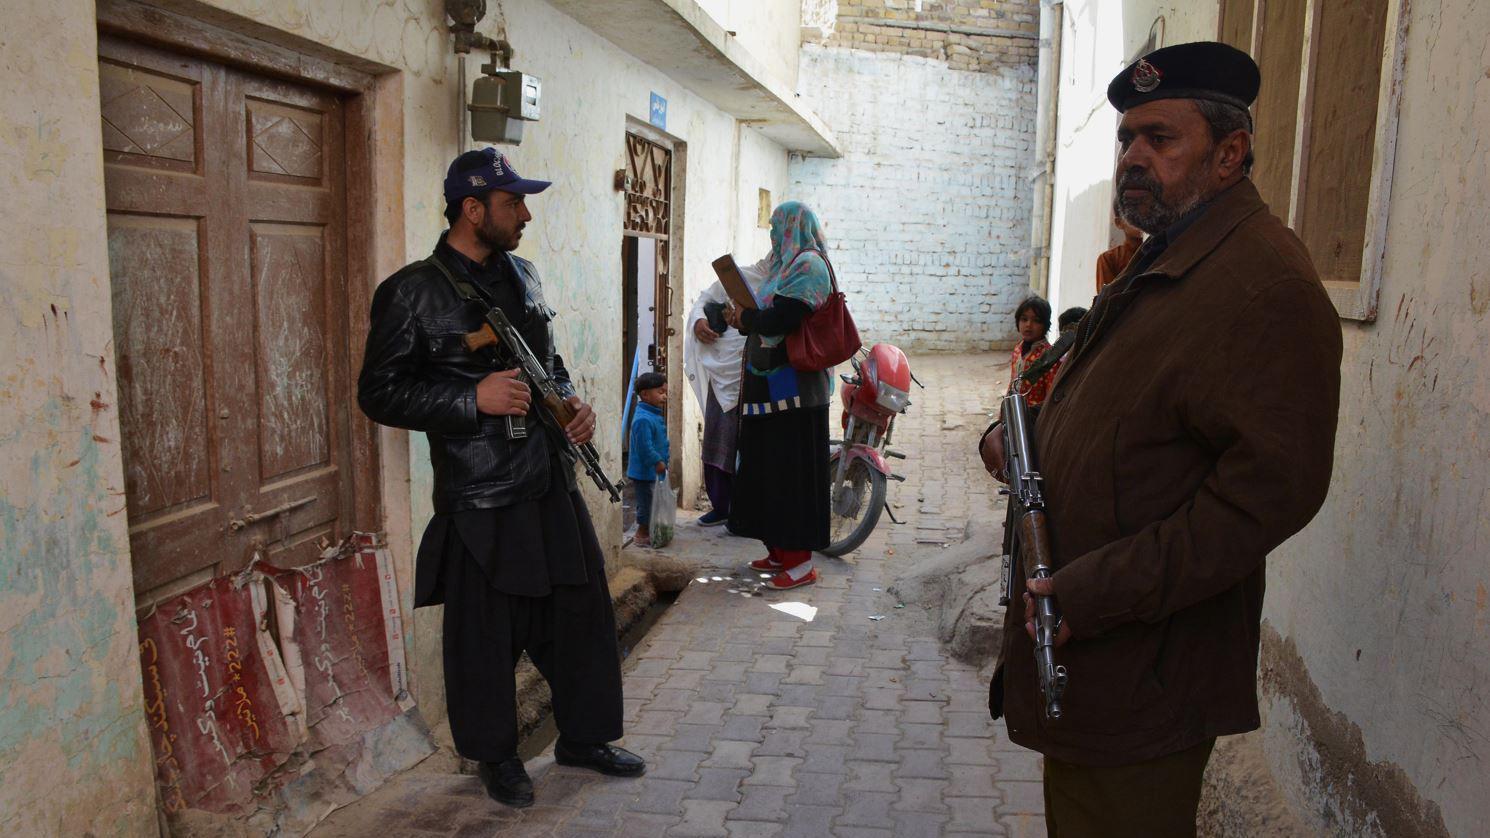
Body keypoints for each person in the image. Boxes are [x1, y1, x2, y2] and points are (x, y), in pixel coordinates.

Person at [979, 42, 1342, 837]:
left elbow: (1264, 498)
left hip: (1146, 667)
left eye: (1160, 139)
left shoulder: (1265, 288)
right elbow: (1133, 415)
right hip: (1096, 658)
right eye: (1126, 139)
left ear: (1229, 153)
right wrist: (1031, 439)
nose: (1133, 157)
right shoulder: (1169, 255)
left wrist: (1095, 592)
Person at [357, 148, 644, 809]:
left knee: (582, 615)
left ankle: (584, 738)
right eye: (514, 202)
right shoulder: (411, 292)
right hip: (481, 491)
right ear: (473, 209)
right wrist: (469, 401)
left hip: (548, 475)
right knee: (484, 634)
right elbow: (379, 393)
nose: (526, 214)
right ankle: (495, 757)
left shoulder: (525, 274)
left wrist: (572, 405)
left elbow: (550, 360)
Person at [722, 202, 835, 591]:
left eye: (777, 226)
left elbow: (782, 319)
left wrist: (748, 319)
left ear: (794, 226)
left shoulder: (809, 267)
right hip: (768, 385)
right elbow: (764, 320)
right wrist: (738, 318)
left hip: (796, 391)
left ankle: (800, 562)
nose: (772, 234)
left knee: (790, 468)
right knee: (766, 465)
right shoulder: (781, 265)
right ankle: (778, 550)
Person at [684, 255, 770, 526]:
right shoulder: (739, 277)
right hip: (722, 372)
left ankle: (747, 511)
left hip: (757, 373)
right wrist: (699, 322)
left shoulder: (786, 285)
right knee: (717, 435)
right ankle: (721, 506)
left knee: (751, 443)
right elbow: (703, 301)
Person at [626, 372, 670, 546]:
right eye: (660, 392)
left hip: (652, 471)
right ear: (645, 394)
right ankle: (641, 533)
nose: (665, 396)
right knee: (646, 504)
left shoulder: (651, 414)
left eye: (665, 392)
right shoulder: (643, 419)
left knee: (651, 502)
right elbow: (645, 448)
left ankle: (649, 529)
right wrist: (657, 461)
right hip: (644, 472)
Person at [1007, 295, 1059, 407]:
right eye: (1024, 319)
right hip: (1015, 410)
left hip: (1036, 417)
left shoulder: (1049, 356)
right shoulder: (1018, 349)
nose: (1028, 325)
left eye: (1036, 320)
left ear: (1045, 325)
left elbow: (1051, 395)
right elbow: (1012, 383)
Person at [1096, 213, 1145, 291]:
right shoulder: (1109, 258)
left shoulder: (1158, 251)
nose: (1140, 220)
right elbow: (1107, 299)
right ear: (1119, 223)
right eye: (1132, 215)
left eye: (1145, 215)